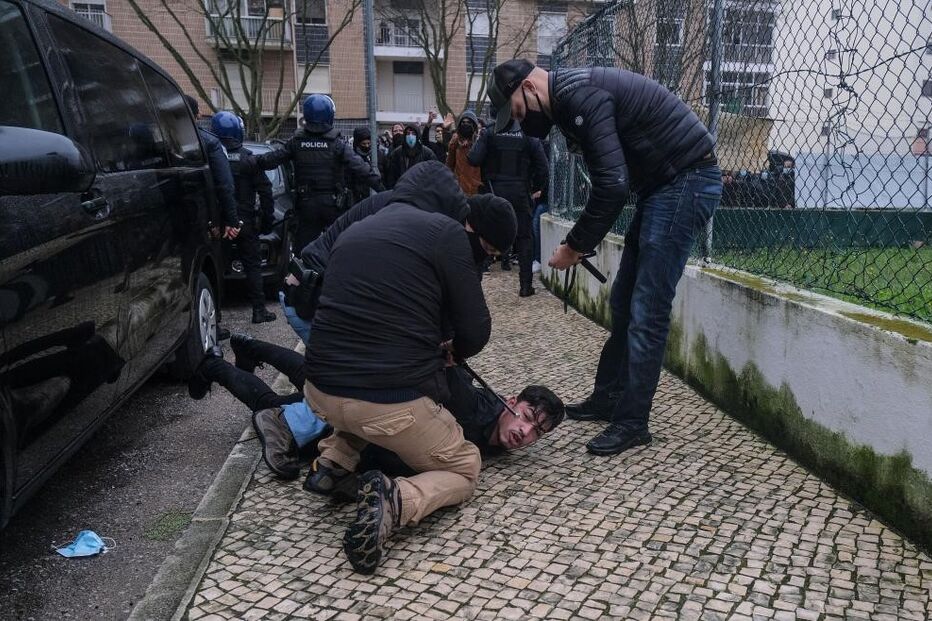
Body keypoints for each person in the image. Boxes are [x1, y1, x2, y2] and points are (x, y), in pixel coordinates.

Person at [488, 59, 722, 456]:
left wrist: (574, 246)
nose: (521, 121)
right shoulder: (569, 96)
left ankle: (633, 422)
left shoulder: (577, 95)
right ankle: (609, 398)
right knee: (625, 301)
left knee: (647, 309)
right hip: (664, 185)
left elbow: (612, 185)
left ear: (528, 87)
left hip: (687, 180)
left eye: (518, 110)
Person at [302, 168, 510, 574]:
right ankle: (396, 502)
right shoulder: (444, 233)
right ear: (453, 208)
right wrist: (454, 349)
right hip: (386, 402)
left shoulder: (356, 230)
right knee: (464, 466)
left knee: (359, 400)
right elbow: (476, 330)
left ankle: (332, 464)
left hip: (319, 390)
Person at [251, 360, 565, 483]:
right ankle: (218, 361)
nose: (525, 432)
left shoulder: (495, 438)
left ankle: (221, 360)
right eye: (526, 417)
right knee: (280, 403)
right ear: (510, 402)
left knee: (288, 396)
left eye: (537, 432)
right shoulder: (471, 403)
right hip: (362, 418)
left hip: (367, 447)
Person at [258, 94, 382, 251]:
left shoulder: (296, 142)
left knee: (303, 252)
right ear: (329, 115)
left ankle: (303, 274)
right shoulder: (337, 144)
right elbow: (362, 169)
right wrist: (385, 189)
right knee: (341, 246)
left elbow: (269, 160)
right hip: (333, 204)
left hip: (306, 205)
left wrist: (247, 160)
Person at [468, 116, 548, 296]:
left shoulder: (490, 131)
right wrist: (533, 188)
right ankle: (525, 286)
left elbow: (473, 158)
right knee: (525, 238)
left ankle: (476, 283)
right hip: (520, 191)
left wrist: (482, 138)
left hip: (493, 192)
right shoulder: (529, 134)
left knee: (483, 235)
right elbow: (544, 168)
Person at [210, 111, 277, 324]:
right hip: (245, 221)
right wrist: (267, 220)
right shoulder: (248, 159)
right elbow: (266, 191)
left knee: (217, 268)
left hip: (219, 224)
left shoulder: (210, 158)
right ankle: (259, 310)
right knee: (253, 266)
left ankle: (216, 316)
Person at [184, 95, 239, 241]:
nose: (201, 114)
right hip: (203, 217)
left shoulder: (161, 140)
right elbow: (225, 184)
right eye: (198, 112)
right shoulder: (209, 142)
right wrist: (231, 220)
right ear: (195, 115)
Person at [383, 124, 435, 189]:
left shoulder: (427, 153)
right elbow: (391, 177)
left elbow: (433, 175)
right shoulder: (397, 153)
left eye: (413, 133)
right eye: (408, 134)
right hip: (402, 190)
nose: (410, 136)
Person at [446, 110, 482, 196]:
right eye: (463, 122)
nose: (466, 125)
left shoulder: (479, 142)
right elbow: (449, 164)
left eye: (469, 122)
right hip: (458, 188)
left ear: (474, 124)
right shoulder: (455, 142)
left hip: (475, 188)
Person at [346, 127, 379, 206]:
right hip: (357, 200)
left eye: (368, 143)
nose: (367, 146)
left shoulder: (377, 155)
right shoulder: (351, 159)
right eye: (363, 144)